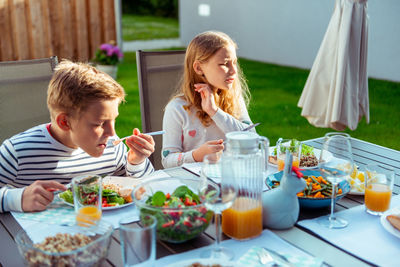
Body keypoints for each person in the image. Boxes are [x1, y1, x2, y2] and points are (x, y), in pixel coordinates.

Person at [0, 60, 155, 213]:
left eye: (114, 120)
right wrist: (15, 199)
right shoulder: (16, 152)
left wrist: (136, 162)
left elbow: (146, 189)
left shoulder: (111, 146)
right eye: (99, 124)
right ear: (65, 122)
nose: (112, 133)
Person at [162, 31, 254, 168]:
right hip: (193, 183)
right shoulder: (177, 108)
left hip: (232, 176)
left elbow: (252, 140)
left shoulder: (234, 98)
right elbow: (167, 160)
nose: (234, 70)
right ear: (199, 68)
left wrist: (214, 111)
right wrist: (196, 155)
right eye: (224, 64)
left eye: (234, 62)